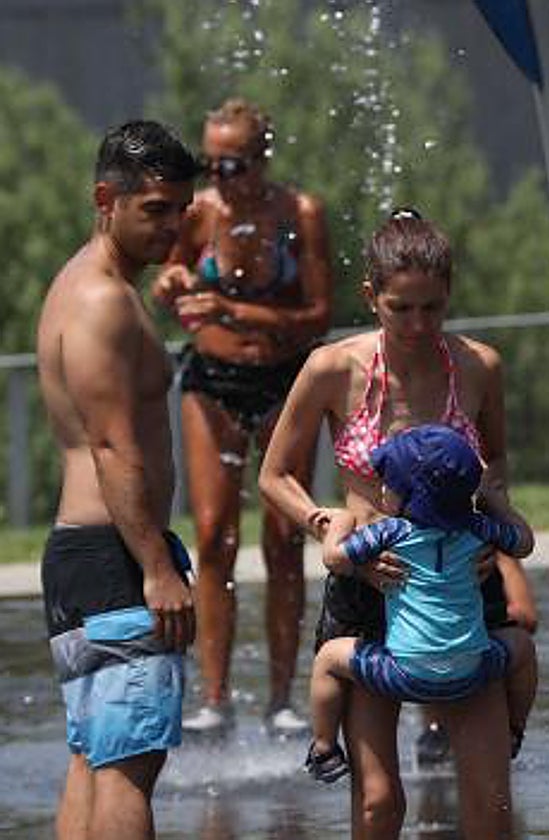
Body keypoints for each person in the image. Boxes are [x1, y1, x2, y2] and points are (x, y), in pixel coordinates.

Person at [259, 209, 538, 838]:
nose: (417, 325)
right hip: (369, 587)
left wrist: (499, 549)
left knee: (489, 799)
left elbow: (493, 467)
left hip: (461, 584)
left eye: (432, 309)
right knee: (380, 802)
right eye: (400, 308)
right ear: (371, 297)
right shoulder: (332, 368)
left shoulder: (478, 366)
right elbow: (274, 477)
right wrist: (329, 525)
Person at [35, 120, 202, 840]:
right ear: (107, 197)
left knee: (92, 757)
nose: (172, 226)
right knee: (130, 764)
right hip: (115, 556)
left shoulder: (89, 286)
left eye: (181, 209)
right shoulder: (102, 300)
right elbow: (111, 445)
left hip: (84, 555)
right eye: (155, 209)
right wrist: (158, 567)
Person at [150, 98, 334, 735]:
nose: (220, 178)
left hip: (284, 380)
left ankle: (281, 699)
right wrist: (172, 283)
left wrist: (234, 313)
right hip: (214, 383)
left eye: (233, 165)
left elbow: (317, 317)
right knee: (212, 535)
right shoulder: (199, 213)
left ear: (262, 160)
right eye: (211, 163)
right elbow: (167, 275)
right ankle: (215, 697)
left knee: (285, 540)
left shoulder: (298, 215)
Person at [306, 424, 536, 787]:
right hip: (471, 671)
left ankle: (323, 747)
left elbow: (335, 559)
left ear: (412, 496)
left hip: (402, 673)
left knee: (328, 658)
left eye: (389, 484)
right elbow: (523, 543)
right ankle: (514, 729)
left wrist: (341, 522)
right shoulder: (477, 529)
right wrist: (500, 507)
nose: (382, 488)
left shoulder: (392, 533)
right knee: (523, 647)